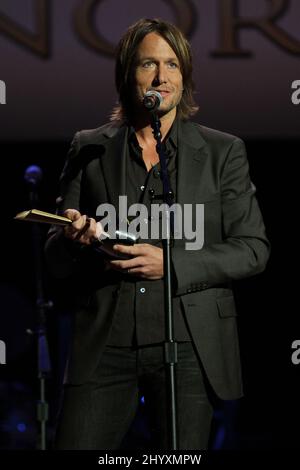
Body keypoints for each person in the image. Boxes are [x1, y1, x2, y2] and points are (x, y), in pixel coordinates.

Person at [45, 18, 270, 450]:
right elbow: (54, 260)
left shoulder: (223, 152)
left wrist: (171, 264)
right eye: (149, 64)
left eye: (172, 65)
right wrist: (73, 241)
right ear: (128, 73)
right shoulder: (90, 146)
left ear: (185, 76)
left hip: (189, 344)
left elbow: (253, 249)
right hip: (106, 344)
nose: (162, 77)